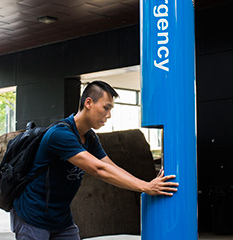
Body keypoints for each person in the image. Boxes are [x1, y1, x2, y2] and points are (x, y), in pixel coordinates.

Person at [10, 81, 179, 240]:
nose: (109, 115)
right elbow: (98, 170)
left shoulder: (89, 137)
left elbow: (110, 166)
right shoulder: (60, 134)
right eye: (106, 108)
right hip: (32, 215)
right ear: (88, 103)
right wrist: (145, 187)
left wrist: (146, 184)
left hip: (60, 218)